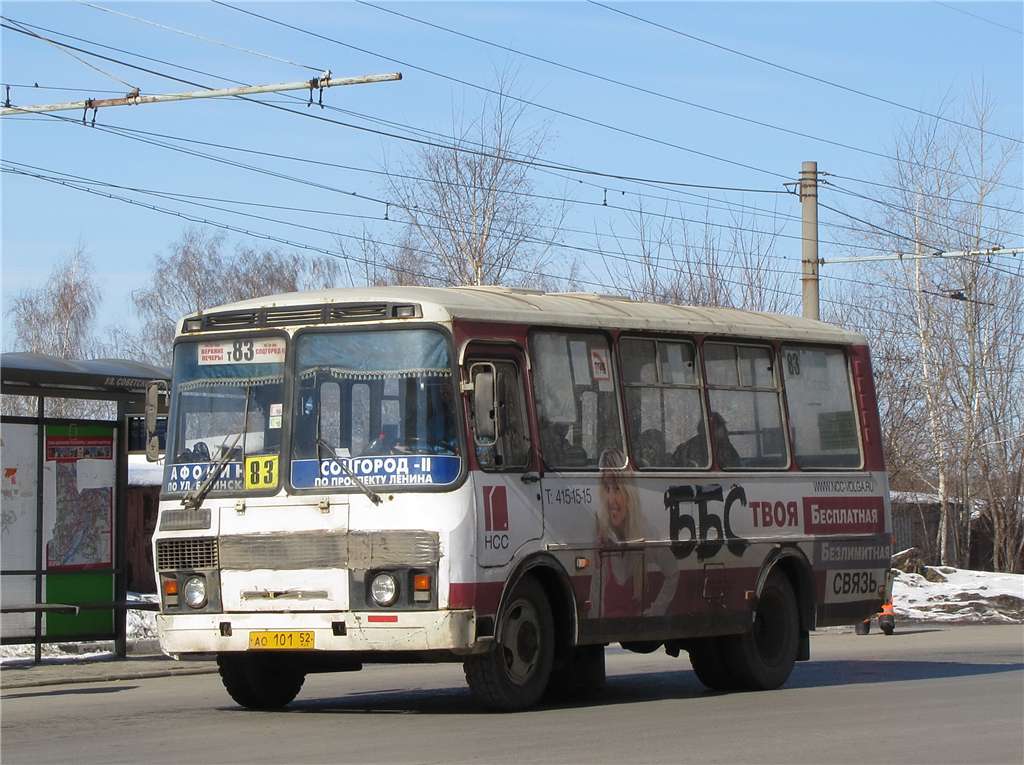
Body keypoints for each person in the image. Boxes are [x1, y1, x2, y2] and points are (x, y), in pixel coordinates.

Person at [590, 448, 679, 619]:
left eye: (616, 488)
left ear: (628, 492)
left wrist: (655, 612)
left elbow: (673, 572)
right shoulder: (601, 533)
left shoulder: (646, 532)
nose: (611, 499)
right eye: (606, 489)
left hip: (637, 629)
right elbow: (595, 596)